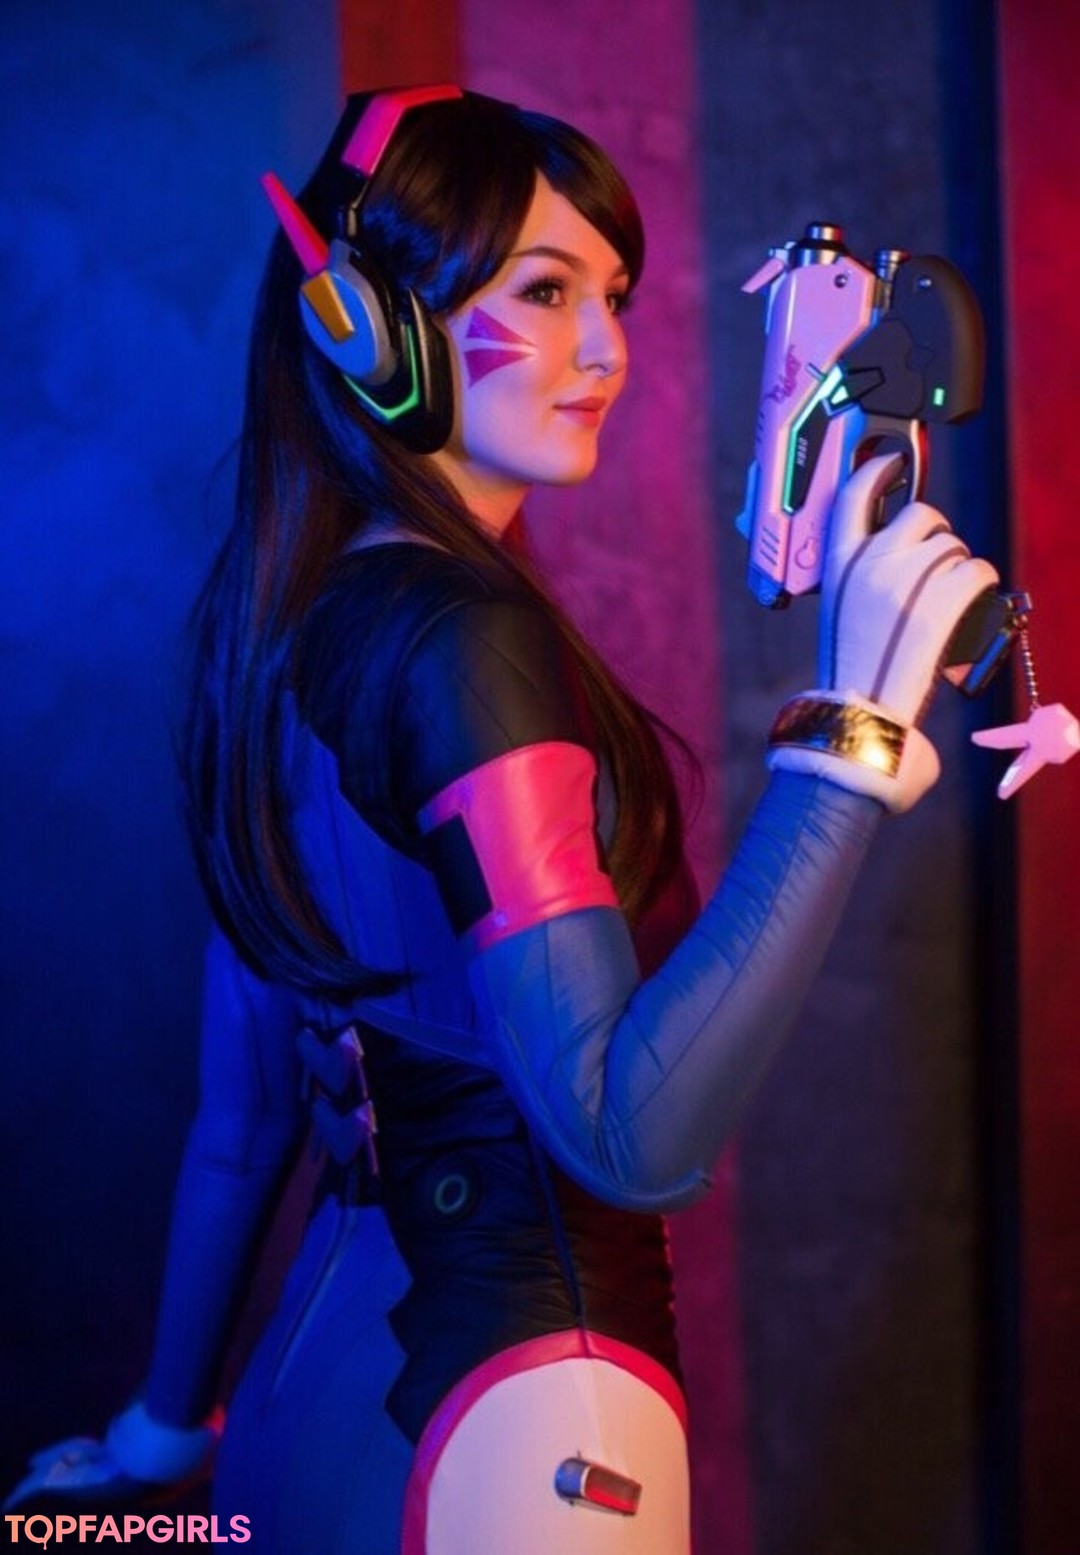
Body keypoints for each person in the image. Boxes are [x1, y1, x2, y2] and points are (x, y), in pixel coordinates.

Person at [5, 86, 997, 1552]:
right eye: (543, 291)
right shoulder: (462, 642)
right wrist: (848, 742)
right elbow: (627, 1138)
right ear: (367, 326)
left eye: (614, 295)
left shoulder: (274, 630)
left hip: (314, 1394)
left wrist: (160, 1434)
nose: (607, 349)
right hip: (531, 1420)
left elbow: (246, 1117)